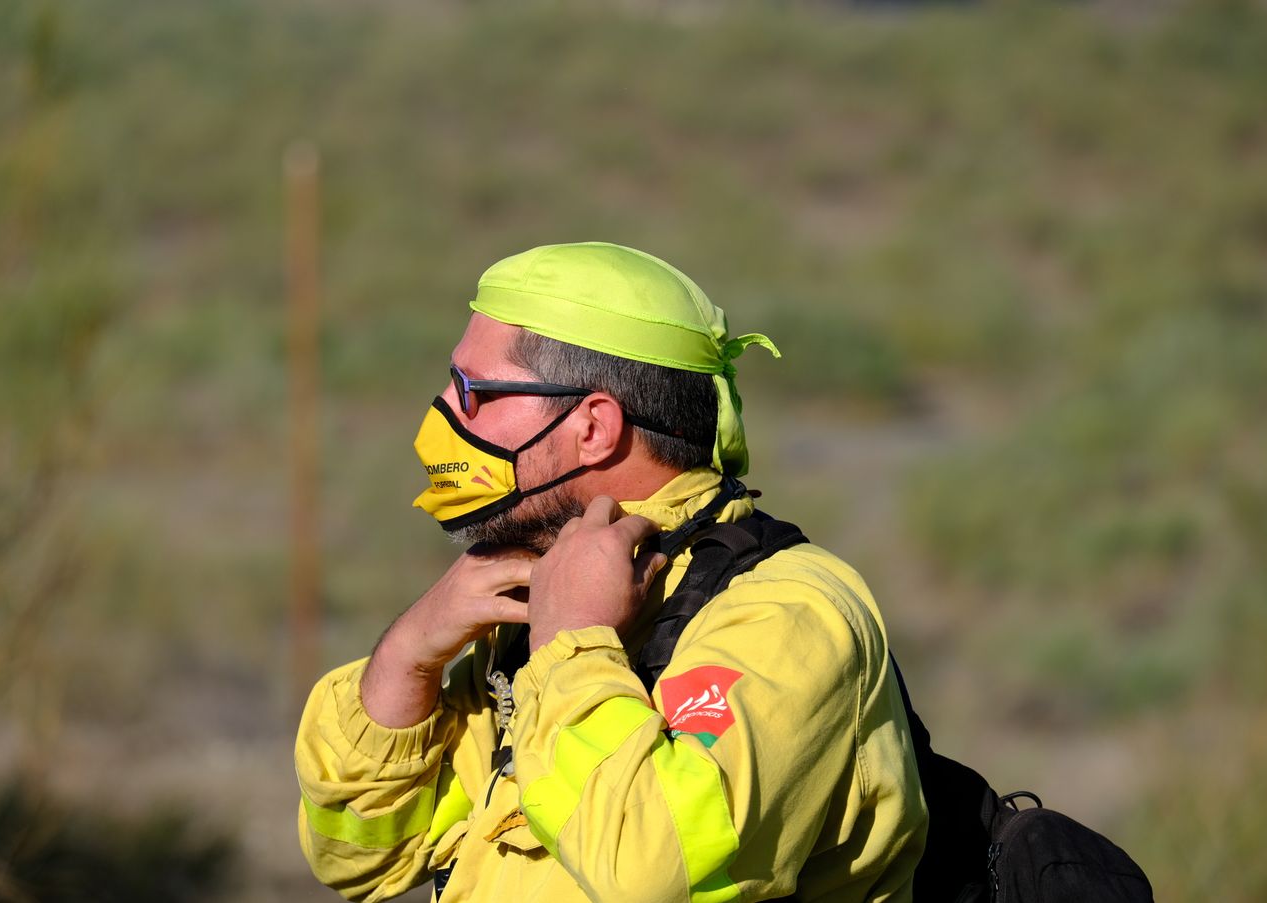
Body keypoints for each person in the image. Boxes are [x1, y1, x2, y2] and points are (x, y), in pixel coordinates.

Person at [295, 242, 928, 903]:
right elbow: (363, 857)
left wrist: (572, 642)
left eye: (474, 390)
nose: (447, 414)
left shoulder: (790, 614)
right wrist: (411, 651)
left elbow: (648, 874)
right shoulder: (526, 592)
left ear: (593, 426)